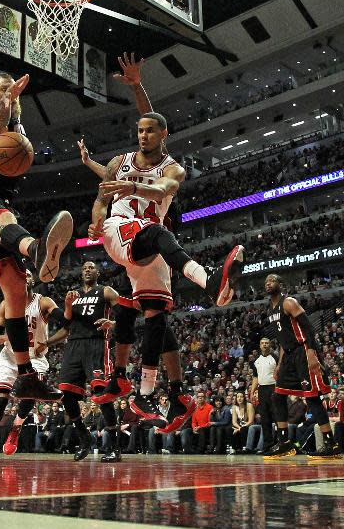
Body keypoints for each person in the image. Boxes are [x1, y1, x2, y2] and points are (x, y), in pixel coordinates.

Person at [88, 101, 245, 434]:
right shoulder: (120, 162)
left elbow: (163, 189)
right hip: (120, 227)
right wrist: (96, 220)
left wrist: (134, 187)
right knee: (157, 235)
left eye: (149, 130)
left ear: (163, 134)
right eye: (139, 130)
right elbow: (102, 198)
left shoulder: (174, 168)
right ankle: (210, 282)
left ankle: (157, 394)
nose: (143, 135)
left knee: (156, 313)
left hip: (153, 243)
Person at [0, 72, 71, 403]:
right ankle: (36, 248)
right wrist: (3, 104)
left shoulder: (18, 127)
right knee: (1, 219)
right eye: (2, 90)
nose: (10, 93)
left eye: (11, 89)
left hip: (2, 201)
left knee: (16, 293)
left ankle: (27, 377)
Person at [40, 261, 126, 462]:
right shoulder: (73, 295)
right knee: (66, 395)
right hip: (73, 346)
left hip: (96, 344)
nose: (87, 269)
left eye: (91, 267)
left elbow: (126, 314)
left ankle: (114, 447)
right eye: (84, 268)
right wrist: (47, 343)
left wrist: (113, 323)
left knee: (101, 394)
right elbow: (66, 328)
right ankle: (83, 436)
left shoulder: (106, 291)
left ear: (98, 272)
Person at [0, 271, 63, 461]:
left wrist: (50, 340)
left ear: (33, 280)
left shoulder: (43, 302)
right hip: (10, 357)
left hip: (35, 357)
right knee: (1, 398)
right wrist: (1, 337)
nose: (24, 277)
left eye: (27, 275)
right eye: (20, 275)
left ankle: (17, 427)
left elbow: (64, 319)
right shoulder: (6, 304)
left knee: (31, 390)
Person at [262, 274, 342, 459]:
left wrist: (312, 353)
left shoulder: (288, 302)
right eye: (266, 282)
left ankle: (331, 444)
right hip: (288, 356)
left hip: (303, 351)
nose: (268, 284)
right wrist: (279, 364)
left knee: (312, 398)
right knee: (277, 395)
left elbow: (309, 328)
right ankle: (284, 443)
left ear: (280, 285)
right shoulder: (270, 309)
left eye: (272, 281)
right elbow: (282, 340)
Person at [248, 337, 278, 454]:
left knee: (277, 416)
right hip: (262, 390)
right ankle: (267, 446)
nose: (265, 345)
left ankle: (281, 444)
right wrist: (252, 391)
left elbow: (279, 374)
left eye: (267, 343)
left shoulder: (275, 357)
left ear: (270, 345)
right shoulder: (256, 360)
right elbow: (256, 377)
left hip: (274, 388)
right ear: (260, 346)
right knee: (265, 419)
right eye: (263, 343)